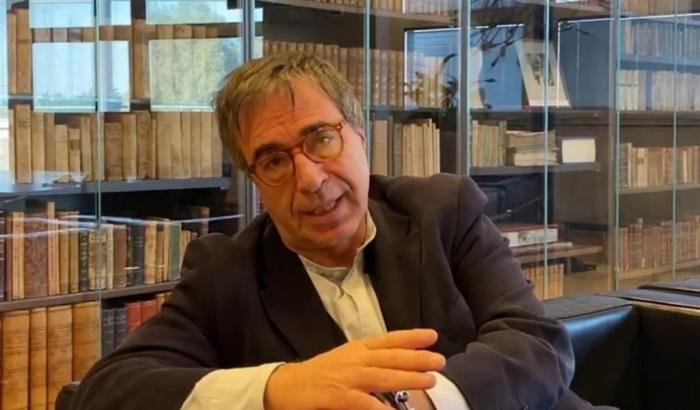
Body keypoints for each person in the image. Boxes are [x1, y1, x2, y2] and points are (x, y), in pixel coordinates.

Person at [71, 52, 606, 410]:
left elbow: (536, 343)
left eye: (322, 139)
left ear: (360, 137)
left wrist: (419, 401)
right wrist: (283, 386)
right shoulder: (225, 272)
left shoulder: (442, 211)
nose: (310, 179)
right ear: (256, 182)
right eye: (274, 161)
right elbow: (106, 390)